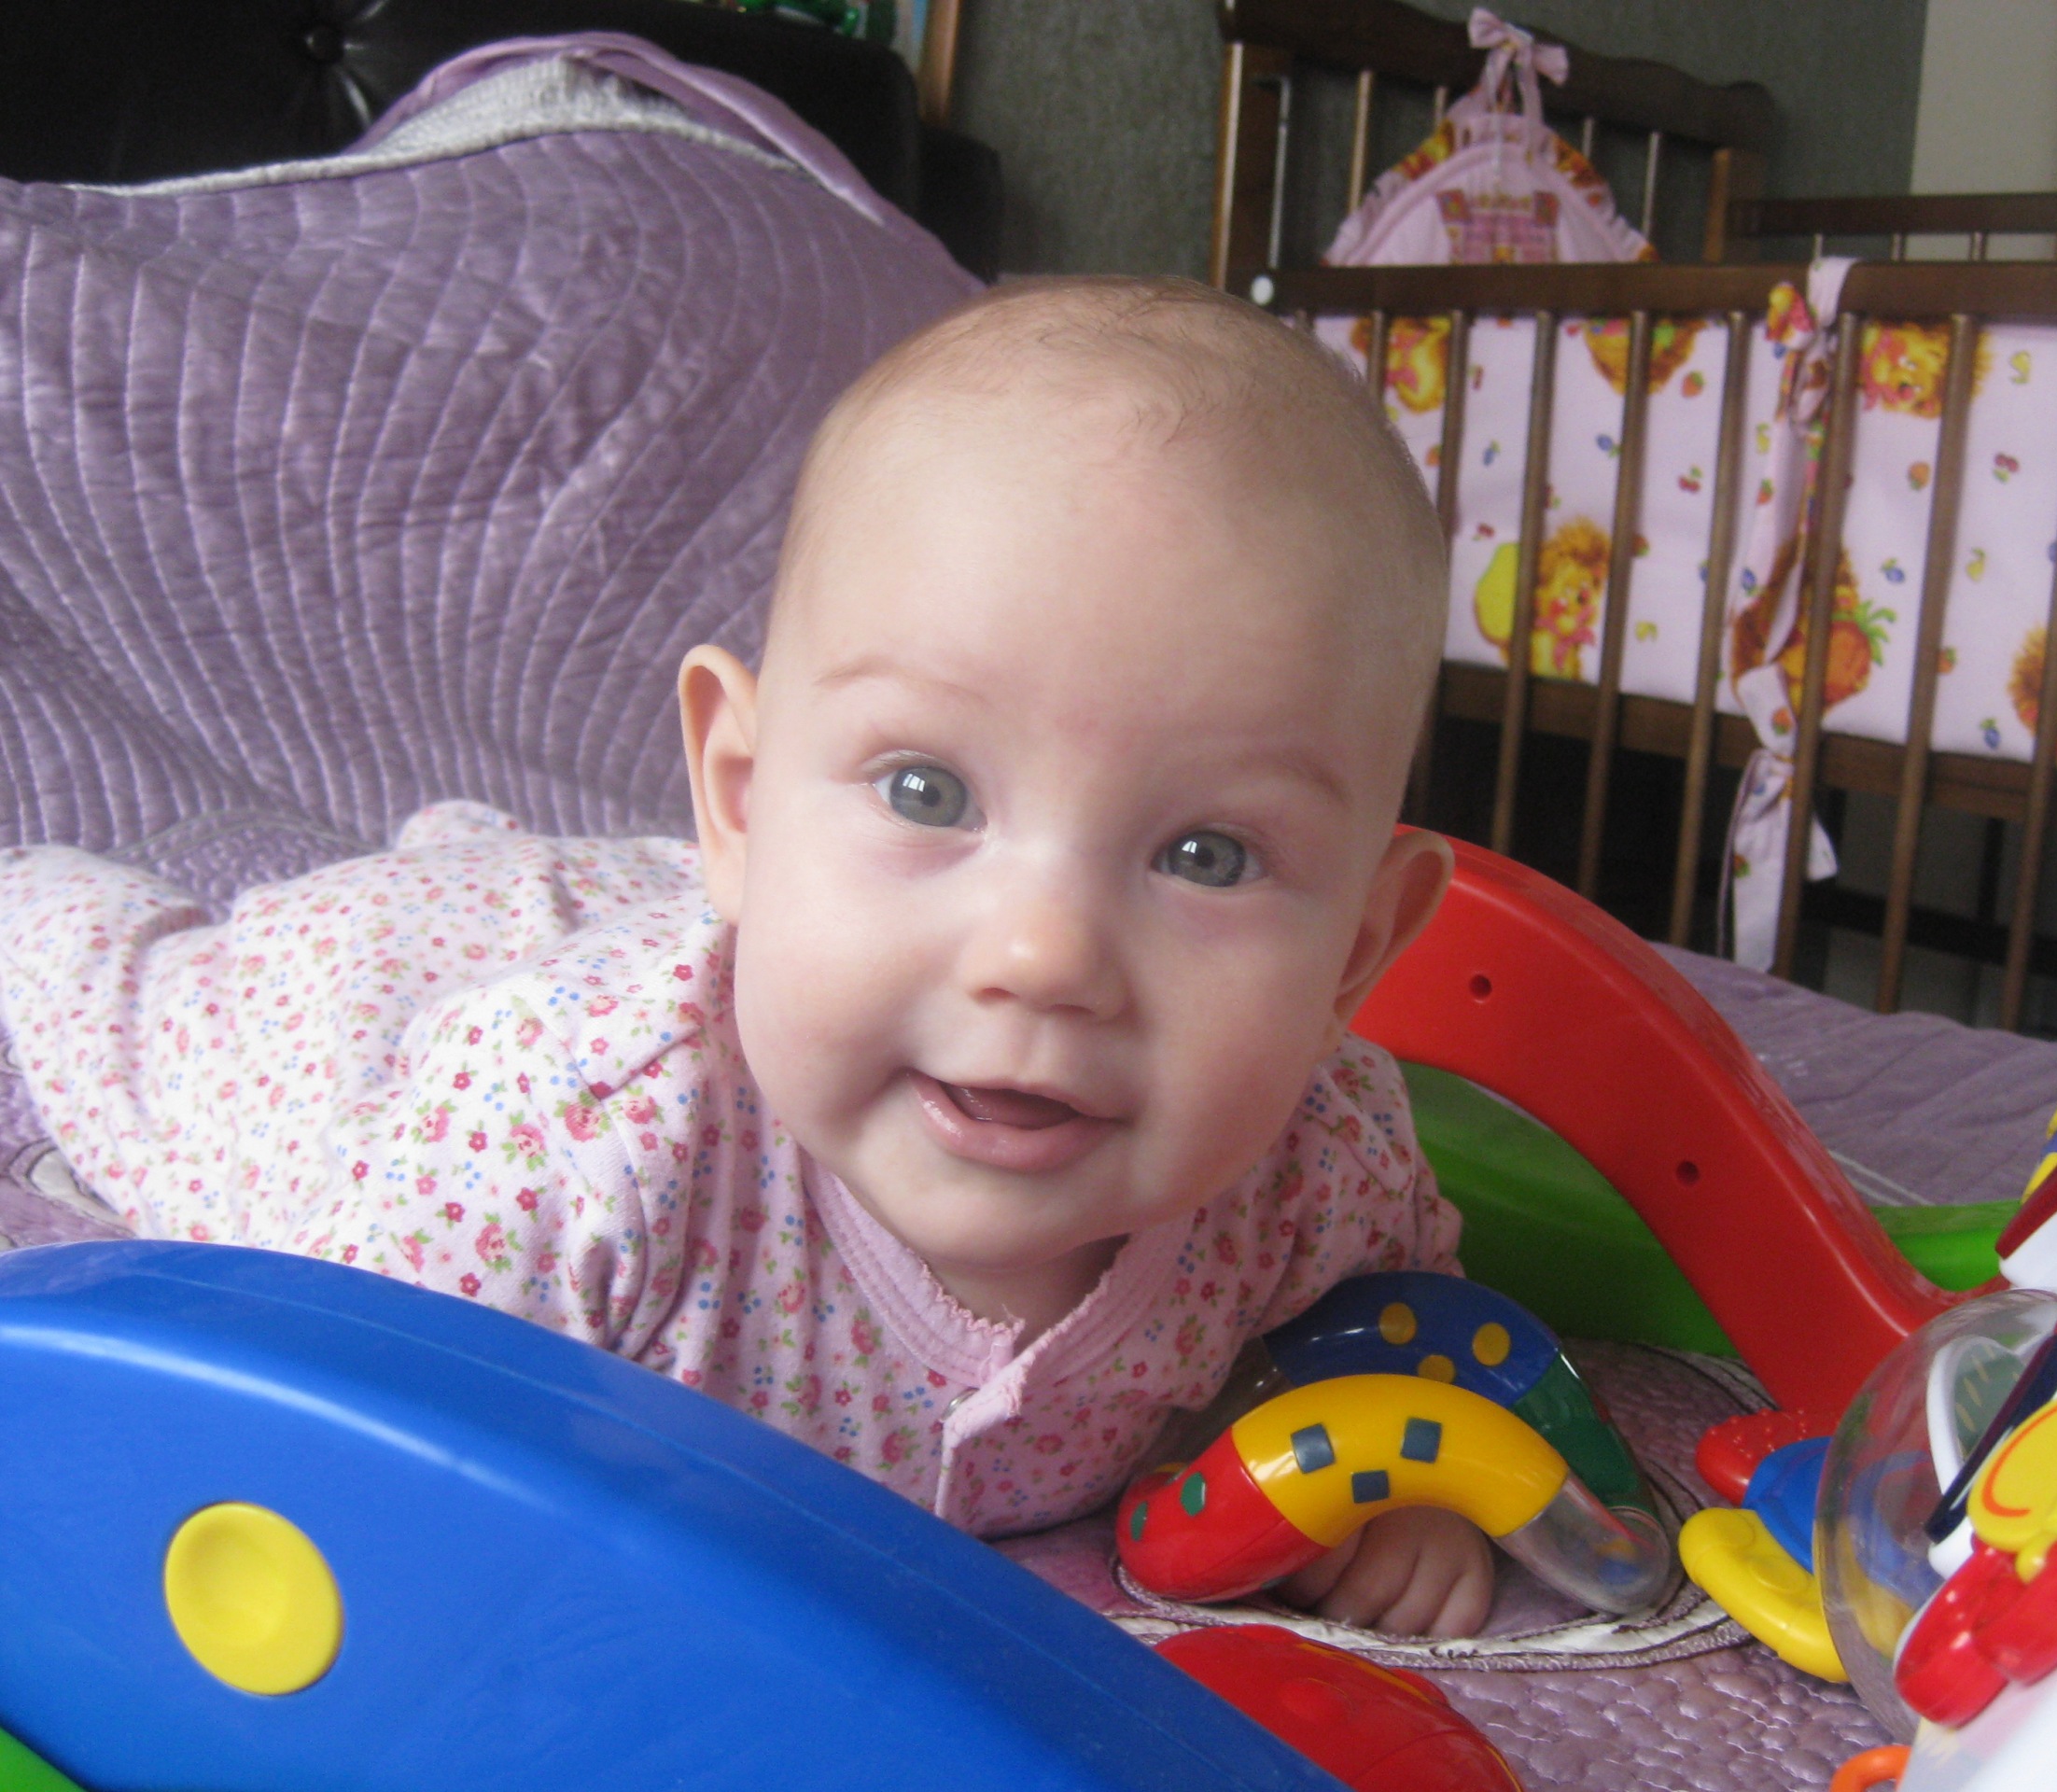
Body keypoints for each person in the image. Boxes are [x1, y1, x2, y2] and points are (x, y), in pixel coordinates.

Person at [0, 277, 1496, 1636]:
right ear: (739, 791)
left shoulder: (1322, 1171)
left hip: (711, 934)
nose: (1045, 956)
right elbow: (321, 1468)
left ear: (1357, 950)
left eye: (1208, 856)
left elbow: (1402, 1343)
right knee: (135, 1008)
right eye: (928, 791)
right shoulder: (567, 1157)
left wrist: (1393, 1480)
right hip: (385, 1013)